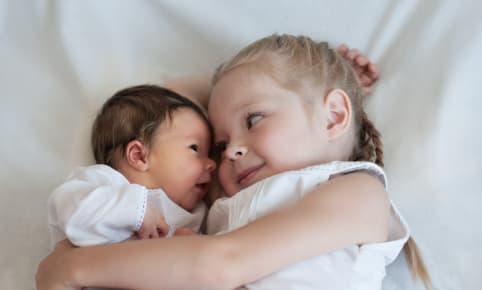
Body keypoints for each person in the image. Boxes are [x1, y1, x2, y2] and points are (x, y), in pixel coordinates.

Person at [36, 36, 430, 290]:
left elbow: (224, 264)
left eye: (253, 119)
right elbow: (144, 111)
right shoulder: (223, 201)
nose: (230, 153)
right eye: (220, 143)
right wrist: (235, 84)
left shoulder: (357, 192)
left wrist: (74, 267)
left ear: (332, 117)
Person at [48, 85, 216, 251]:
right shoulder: (107, 183)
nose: (212, 163)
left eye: (209, 152)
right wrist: (136, 210)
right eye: (195, 148)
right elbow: (72, 213)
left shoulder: (199, 214)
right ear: (139, 156)